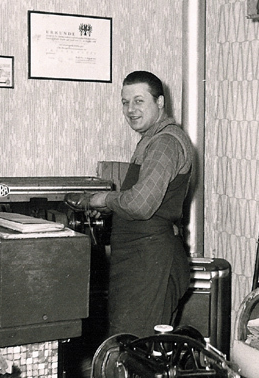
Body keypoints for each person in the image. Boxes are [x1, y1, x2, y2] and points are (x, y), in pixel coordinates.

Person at [66, 70, 194, 338]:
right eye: (125, 102)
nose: (130, 109)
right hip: (139, 260)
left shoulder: (164, 143)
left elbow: (140, 205)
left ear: (160, 103)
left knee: (139, 348)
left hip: (150, 262)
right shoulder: (150, 139)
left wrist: (105, 199)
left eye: (139, 101)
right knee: (129, 345)